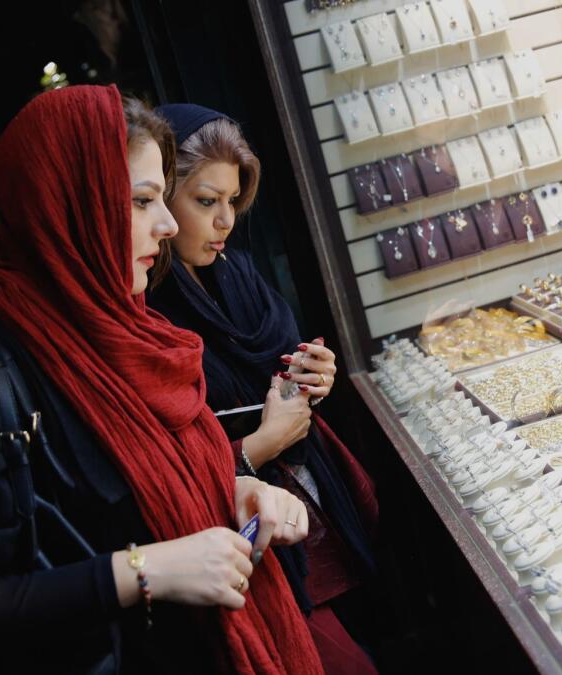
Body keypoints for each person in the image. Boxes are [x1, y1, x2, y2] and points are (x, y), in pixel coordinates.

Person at [0, 85, 323, 674]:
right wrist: (141, 572)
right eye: (143, 201)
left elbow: (120, 502)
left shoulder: (132, 339)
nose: (169, 224)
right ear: (69, 206)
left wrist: (221, 492)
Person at [147, 104, 378, 674]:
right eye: (206, 201)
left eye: (232, 201)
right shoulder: (150, 310)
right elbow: (162, 471)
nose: (225, 220)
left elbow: (278, 361)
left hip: (314, 521)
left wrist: (313, 375)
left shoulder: (238, 274)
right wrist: (261, 444)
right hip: (247, 544)